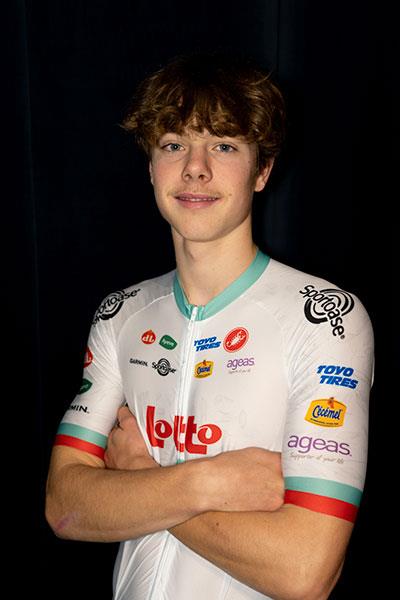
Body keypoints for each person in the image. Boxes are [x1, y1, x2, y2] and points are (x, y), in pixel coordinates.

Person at [45, 53, 374, 600]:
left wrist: (139, 474)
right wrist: (207, 481)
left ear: (262, 171)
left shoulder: (325, 318)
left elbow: (304, 572)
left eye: (223, 146)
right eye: (174, 145)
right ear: (151, 167)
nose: (195, 168)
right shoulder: (121, 314)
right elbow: (64, 507)